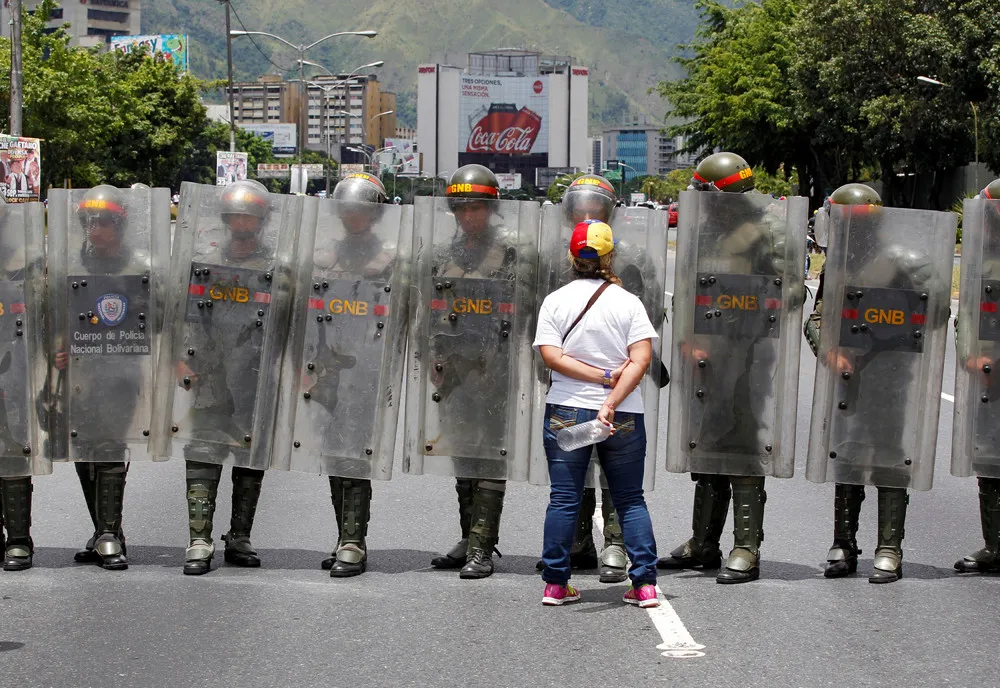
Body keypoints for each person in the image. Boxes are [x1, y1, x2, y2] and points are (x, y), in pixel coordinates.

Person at [661, 152, 806, 583]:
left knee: (742, 442)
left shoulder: (769, 227)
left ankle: (746, 546)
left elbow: (793, 289)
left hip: (748, 352)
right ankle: (703, 543)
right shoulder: (705, 227)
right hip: (705, 351)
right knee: (705, 440)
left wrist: (744, 312)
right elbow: (690, 285)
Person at [804, 182, 952, 583]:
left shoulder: (903, 260)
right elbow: (817, 317)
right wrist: (828, 351)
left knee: (888, 454)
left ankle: (889, 548)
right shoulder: (838, 264)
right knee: (846, 452)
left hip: (891, 372)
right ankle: (844, 543)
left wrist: (889, 335)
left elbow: (935, 312)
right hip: (848, 374)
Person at [416, 164, 535, 579]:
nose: (469, 216)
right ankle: (470, 535)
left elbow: (525, 315)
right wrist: (429, 356)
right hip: (452, 370)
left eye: (477, 208)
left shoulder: (513, 255)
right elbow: (426, 311)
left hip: (495, 368)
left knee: (490, 454)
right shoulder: (439, 256)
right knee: (462, 450)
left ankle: (483, 545)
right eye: (462, 209)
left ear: (492, 210)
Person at [534, 219, 659, 607]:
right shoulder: (628, 302)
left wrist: (595, 378)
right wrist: (610, 396)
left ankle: (556, 584)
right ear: (609, 256)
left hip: (566, 410)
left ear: (572, 257)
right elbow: (641, 361)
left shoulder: (556, 300)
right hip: (621, 415)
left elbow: (551, 356)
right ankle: (644, 586)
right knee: (630, 500)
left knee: (564, 498)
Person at [52, 185, 163, 570]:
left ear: (120, 225)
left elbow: (160, 320)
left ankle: (110, 534)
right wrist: (57, 349)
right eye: (88, 221)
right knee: (84, 449)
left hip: (123, 372)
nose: (94, 228)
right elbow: (54, 313)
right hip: (80, 372)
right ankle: (103, 529)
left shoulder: (143, 266)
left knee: (112, 445)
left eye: (103, 221)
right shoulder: (71, 265)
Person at [298, 172, 398, 577]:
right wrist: (302, 366)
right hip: (327, 369)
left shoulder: (390, 259)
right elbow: (308, 316)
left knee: (356, 454)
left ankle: (354, 542)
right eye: (348, 210)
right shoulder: (324, 258)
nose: (354, 217)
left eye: (362, 211)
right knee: (333, 452)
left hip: (368, 369)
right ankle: (344, 535)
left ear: (375, 215)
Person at [176, 180, 276, 575]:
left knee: (250, 457)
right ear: (225, 219)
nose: (243, 222)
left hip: (254, 373)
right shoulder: (205, 264)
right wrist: (181, 361)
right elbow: (183, 316)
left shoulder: (276, 268)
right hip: (209, 373)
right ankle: (199, 538)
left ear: (262, 220)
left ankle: (240, 536)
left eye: (250, 215)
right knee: (202, 452)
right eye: (236, 215)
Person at [950, 178, 1000, 574]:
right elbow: (966, 312)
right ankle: (995, 545)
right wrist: (970, 355)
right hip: (990, 373)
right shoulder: (981, 259)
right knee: (988, 457)